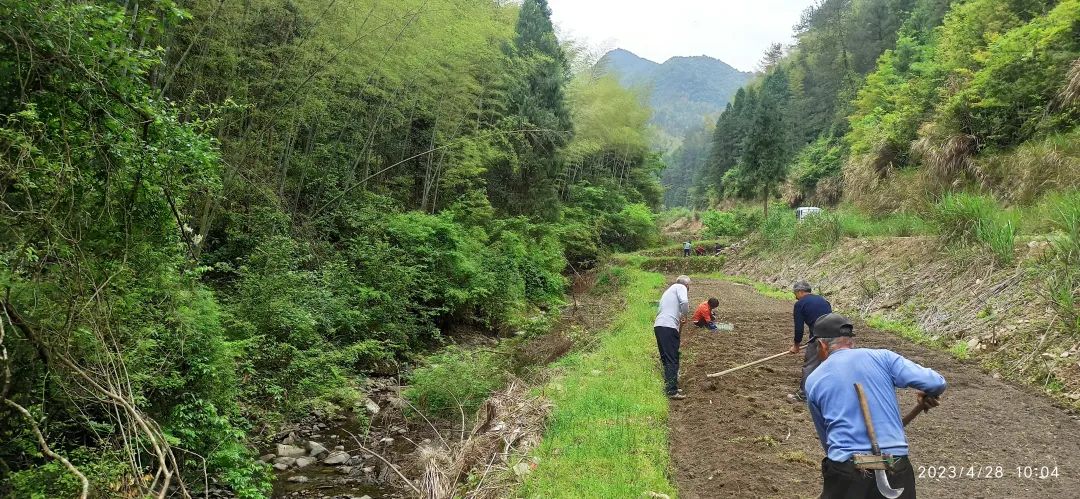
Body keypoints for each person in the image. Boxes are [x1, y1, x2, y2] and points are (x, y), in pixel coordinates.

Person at [805, 313, 946, 499]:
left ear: (822, 345)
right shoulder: (884, 358)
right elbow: (936, 383)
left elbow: (826, 438)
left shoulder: (814, 379)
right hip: (896, 464)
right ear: (850, 342)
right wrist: (925, 392)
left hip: (847, 469)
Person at [788, 280, 832, 401]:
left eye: (795, 293)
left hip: (820, 337)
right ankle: (827, 393)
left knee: (810, 365)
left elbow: (799, 328)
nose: (795, 296)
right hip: (837, 334)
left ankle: (803, 395)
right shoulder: (823, 300)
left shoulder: (800, 304)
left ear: (800, 292)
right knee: (829, 364)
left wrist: (796, 345)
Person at [654, 275, 691, 399]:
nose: (688, 288)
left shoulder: (669, 291)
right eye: (689, 286)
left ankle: (670, 386)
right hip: (668, 327)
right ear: (686, 285)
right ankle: (671, 391)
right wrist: (684, 316)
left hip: (659, 326)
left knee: (667, 358)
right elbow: (684, 302)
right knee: (672, 359)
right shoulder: (680, 286)